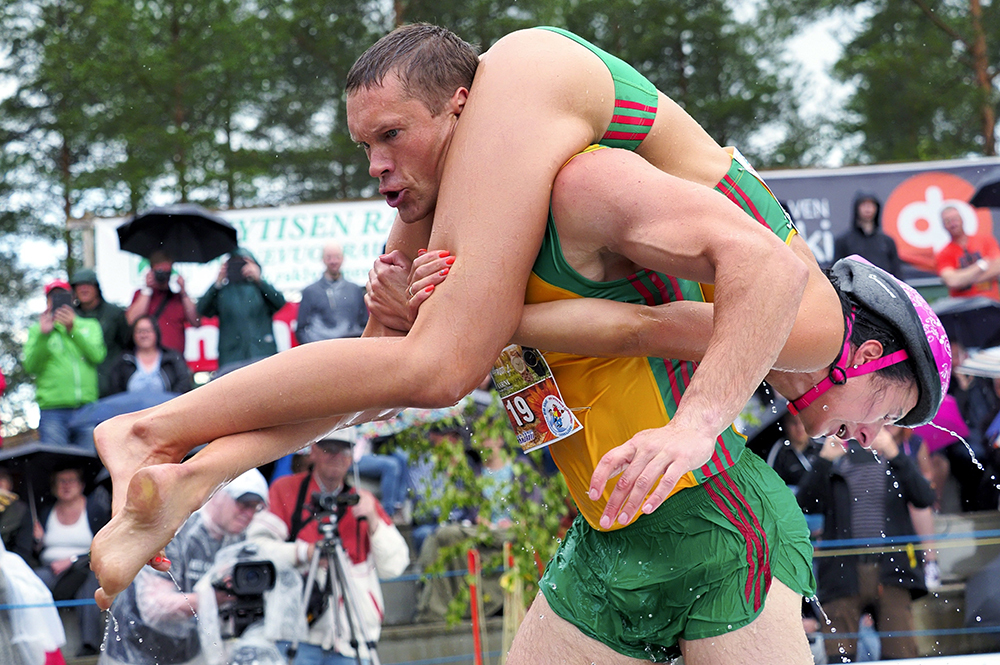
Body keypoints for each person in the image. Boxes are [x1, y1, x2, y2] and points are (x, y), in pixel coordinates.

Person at [85, 23, 857, 621]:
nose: (376, 165)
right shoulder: (478, 177)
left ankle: (156, 435)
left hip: (710, 497)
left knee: (445, 361)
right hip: (635, 522)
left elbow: (671, 316)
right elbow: (373, 380)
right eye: (365, 147)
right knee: (426, 363)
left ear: (462, 105)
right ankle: (172, 462)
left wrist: (693, 423)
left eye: (392, 136)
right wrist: (207, 464)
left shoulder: (548, 158)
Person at [248, 435, 409, 665]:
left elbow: (394, 566)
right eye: (328, 448)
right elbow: (255, 550)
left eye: (344, 450)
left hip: (352, 635)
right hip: (296, 633)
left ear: (353, 456)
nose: (336, 456)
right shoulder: (286, 489)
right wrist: (305, 553)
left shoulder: (363, 500)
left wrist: (373, 519)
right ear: (312, 450)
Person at [99, 469, 269, 665]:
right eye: (243, 504)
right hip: (133, 646)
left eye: (255, 508)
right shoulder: (176, 528)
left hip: (188, 650)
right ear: (218, 495)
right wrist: (212, 599)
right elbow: (153, 606)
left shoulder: (237, 538)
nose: (248, 514)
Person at [796, 428, 936, 662]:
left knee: (901, 654)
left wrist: (895, 453)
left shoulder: (895, 463)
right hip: (842, 575)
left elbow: (924, 497)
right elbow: (805, 503)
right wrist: (823, 459)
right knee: (840, 656)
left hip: (892, 572)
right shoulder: (835, 465)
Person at [33, 467, 110, 658]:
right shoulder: (45, 512)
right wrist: (37, 541)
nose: (66, 485)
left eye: (71, 480)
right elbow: (37, 552)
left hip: (86, 566)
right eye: (61, 481)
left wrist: (73, 560)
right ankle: (41, 643)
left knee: (90, 582)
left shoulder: (94, 509)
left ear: (81, 485)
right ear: (53, 487)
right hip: (51, 570)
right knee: (33, 582)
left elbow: (106, 545)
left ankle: (89, 644)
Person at [24, 279, 106, 448]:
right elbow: (32, 366)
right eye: (52, 297)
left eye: (62, 296)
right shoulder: (37, 330)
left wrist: (72, 329)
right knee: (56, 465)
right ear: (46, 301)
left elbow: (97, 356)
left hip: (86, 409)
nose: (56, 301)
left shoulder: (89, 325)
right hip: (53, 411)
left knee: (88, 465)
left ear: (72, 299)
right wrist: (43, 336)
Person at [197, 248, 286, 373]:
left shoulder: (259, 288)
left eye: (244, 263)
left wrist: (259, 280)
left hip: (261, 352)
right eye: (234, 264)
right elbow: (202, 309)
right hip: (232, 357)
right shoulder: (223, 291)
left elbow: (280, 303)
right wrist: (217, 283)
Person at [71, 268, 132, 398]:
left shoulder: (115, 314)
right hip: (81, 386)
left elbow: (127, 344)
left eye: (88, 285)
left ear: (97, 288)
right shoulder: (70, 317)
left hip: (111, 382)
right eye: (79, 286)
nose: (84, 289)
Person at [125, 251, 200, 356]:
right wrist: (147, 289)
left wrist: (184, 292)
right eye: (159, 272)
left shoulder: (178, 298)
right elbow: (131, 320)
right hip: (148, 359)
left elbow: (196, 322)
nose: (163, 276)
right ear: (152, 271)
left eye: (167, 272)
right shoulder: (142, 295)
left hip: (173, 360)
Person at [296, 242, 369, 343]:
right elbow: (301, 329)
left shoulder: (355, 290)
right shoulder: (310, 292)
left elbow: (365, 324)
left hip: (349, 349)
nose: (333, 261)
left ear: (343, 259)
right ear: (323, 260)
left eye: (337, 257)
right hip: (320, 350)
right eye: (328, 257)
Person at [107, 315, 193, 396]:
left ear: (156, 333)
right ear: (133, 335)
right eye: (139, 331)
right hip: (132, 410)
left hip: (167, 409)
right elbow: (115, 391)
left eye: (148, 331)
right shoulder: (124, 360)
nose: (144, 335)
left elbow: (184, 384)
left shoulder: (172, 358)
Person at [935, 205, 1000, 301]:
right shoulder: (943, 253)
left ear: (962, 220)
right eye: (948, 221)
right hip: (963, 307)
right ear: (944, 226)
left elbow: (997, 266)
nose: (953, 224)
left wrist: (963, 279)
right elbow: (952, 281)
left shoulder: (985, 240)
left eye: (955, 219)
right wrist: (981, 266)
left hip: (991, 301)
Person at [833, 192, 902, 276]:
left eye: (871, 204)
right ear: (856, 208)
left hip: (882, 287)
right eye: (864, 204)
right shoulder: (843, 241)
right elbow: (837, 272)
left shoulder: (887, 241)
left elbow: (897, 273)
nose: (868, 208)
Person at [0, 467, 35, 565]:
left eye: (2, 478)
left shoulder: (21, 510)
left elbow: (23, 551)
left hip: (11, 565)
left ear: (10, 484)